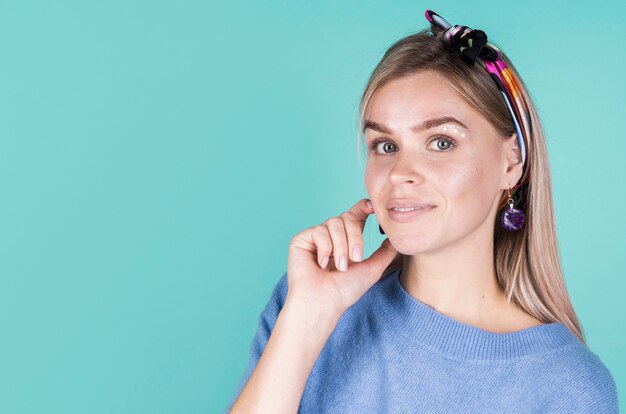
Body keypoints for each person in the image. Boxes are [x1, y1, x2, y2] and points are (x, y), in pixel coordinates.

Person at [224, 10, 619, 413]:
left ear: (511, 162)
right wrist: (308, 316)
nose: (401, 174)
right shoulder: (307, 299)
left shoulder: (568, 388)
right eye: (385, 145)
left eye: (441, 142)